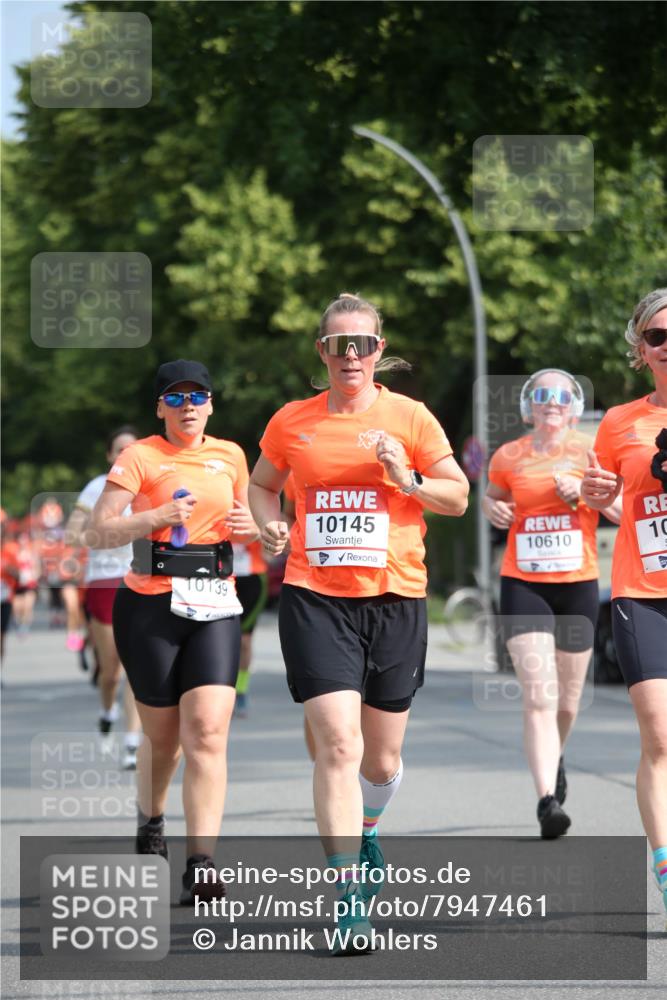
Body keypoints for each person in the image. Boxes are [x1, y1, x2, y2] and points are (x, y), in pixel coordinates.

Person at [248, 293, 469, 953]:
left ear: (378, 352)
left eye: (363, 344)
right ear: (321, 352)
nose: (351, 356)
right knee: (338, 747)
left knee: (380, 756)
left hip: (396, 596)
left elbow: (456, 496)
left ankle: (368, 827)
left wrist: (406, 479)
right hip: (316, 597)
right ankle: (347, 899)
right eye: (338, 345)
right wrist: (269, 524)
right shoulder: (292, 421)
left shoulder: (409, 417)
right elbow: (261, 485)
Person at [91, 360, 258, 903]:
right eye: (176, 398)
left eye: (198, 396)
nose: (188, 406)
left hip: (215, 602)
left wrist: (255, 526)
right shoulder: (139, 456)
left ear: (211, 404)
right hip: (149, 606)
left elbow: (254, 514)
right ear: (160, 407)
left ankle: (202, 860)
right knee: (163, 741)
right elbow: (99, 531)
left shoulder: (231, 454)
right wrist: (156, 515)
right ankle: (152, 819)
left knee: (207, 732)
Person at [484, 368, 621, 839]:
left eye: (562, 395)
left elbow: (621, 512)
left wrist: (585, 492)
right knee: (539, 696)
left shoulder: (592, 451)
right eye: (541, 394)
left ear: (574, 406)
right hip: (525, 585)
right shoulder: (509, 455)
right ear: (529, 405)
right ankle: (547, 800)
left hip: (578, 584)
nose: (551, 402)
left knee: (567, 702)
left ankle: (554, 755)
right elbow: (493, 500)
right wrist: (493, 508)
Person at [581, 288, 667, 924]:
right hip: (643, 592)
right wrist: (591, 491)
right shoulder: (618, 422)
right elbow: (602, 498)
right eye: (659, 336)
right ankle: (666, 868)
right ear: (642, 349)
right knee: (660, 737)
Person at [65, 426, 142, 767]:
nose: (125, 454)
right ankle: (107, 710)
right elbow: (72, 533)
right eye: (119, 450)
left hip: (141, 578)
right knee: (111, 671)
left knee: (136, 666)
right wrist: (105, 534)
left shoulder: (150, 484)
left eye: (132, 449)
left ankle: (131, 742)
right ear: (110, 456)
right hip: (105, 580)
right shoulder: (97, 487)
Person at [232, 539, 268, 717]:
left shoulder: (254, 510)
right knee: (224, 640)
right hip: (221, 577)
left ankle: (241, 690)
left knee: (244, 641)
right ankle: (223, 689)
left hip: (252, 577)